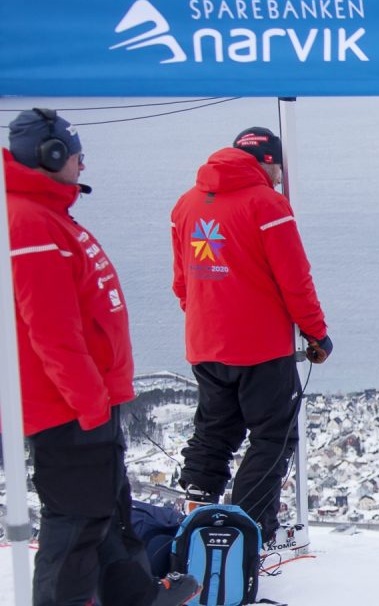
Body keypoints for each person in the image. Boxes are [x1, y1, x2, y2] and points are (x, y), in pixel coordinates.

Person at [4, 108, 199, 606]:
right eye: (76, 154)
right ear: (50, 155)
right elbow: (52, 331)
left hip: (90, 399)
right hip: (66, 407)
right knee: (76, 522)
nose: (83, 164)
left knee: (108, 509)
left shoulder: (47, 215)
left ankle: (132, 594)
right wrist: (89, 403)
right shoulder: (29, 222)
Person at [171, 126, 332, 544]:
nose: (280, 176)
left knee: (213, 434)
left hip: (205, 342)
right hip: (261, 346)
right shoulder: (268, 205)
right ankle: (248, 533)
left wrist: (208, 319)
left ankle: (194, 524)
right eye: (279, 167)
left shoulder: (186, 205)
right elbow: (295, 280)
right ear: (267, 161)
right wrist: (317, 334)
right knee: (273, 436)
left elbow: (182, 282)